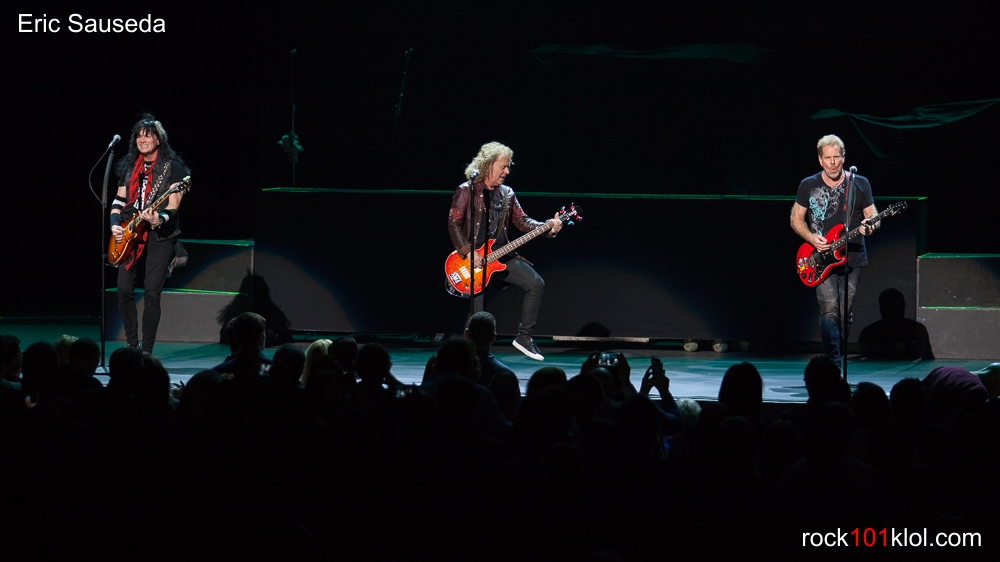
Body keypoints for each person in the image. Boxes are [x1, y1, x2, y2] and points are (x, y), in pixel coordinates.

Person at [448, 142, 562, 361]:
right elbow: (454, 223)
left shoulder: (507, 193)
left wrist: (548, 226)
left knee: (536, 283)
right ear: (488, 165)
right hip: (474, 261)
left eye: (508, 166)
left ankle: (524, 337)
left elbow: (522, 221)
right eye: (503, 166)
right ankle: (468, 359)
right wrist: (468, 252)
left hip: (501, 256)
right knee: (477, 316)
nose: (507, 171)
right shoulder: (466, 190)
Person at [791, 134, 878, 366]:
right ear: (820, 159)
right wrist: (811, 237)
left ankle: (837, 357)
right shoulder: (808, 184)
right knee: (829, 311)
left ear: (844, 157)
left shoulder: (860, 183)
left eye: (836, 157)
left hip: (852, 257)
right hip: (820, 258)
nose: (832, 163)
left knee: (844, 314)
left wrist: (871, 225)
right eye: (827, 158)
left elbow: (872, 216)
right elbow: (796, 218)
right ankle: (834, 365)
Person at [110, 114, 190, 354]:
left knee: (152, 294)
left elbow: (173, 206)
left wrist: (158, 219)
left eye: (148, 136)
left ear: (158, 139)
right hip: (129, 232)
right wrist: (115, 224)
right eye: (139, 136)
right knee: (124, 289)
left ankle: (146, 351)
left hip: (160, 234)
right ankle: (131, 344)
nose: (143, 140)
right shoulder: (129, 166)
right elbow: (119, 200)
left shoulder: (173, 167)